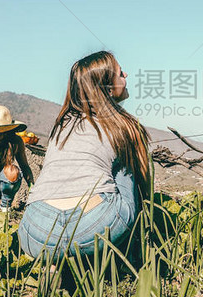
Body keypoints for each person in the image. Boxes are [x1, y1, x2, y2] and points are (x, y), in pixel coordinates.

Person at [18, 51, 151, 260]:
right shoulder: (124, 126)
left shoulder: (62, 125)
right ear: (106, 85)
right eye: (119, 73)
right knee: (125, 166)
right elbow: (143, 184)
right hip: (94, 226)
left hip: (35, 231)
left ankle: (52, 262)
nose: (126, 74)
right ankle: (129, 251)